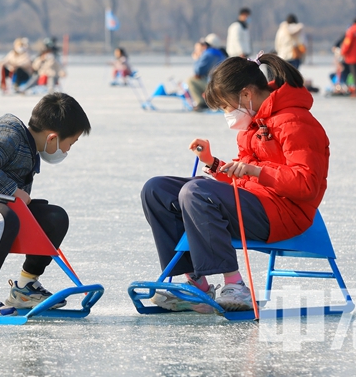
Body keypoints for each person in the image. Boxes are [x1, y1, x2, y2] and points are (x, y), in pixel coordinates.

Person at [141, 54, 329, 313]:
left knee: (195, 192)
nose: (227, 114)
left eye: (226, 106)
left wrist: (258, 171)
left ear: (246, 94)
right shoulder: (253, 125)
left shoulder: (295, 122)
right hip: (255, 202)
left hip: (285, 213)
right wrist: (213, 163)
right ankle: (196, 284)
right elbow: (243, 174)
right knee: (157, 189)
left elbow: (307, 185)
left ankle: (235, 284)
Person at [0, 93, 91, 316]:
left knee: (54, 217)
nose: (67, 150)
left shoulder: (30, 147)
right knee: (0, 218)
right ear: (52, 138)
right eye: (70, 143)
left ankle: (25, 288)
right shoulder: (8, 131)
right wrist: (11, 191)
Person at [185, 34, 225, 111]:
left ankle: (201, 103)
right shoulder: (222, 54)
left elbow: (198, 71)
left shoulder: (208, 54)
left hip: (213, 86)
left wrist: (197, 58)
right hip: (222, 86)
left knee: (191, 80)